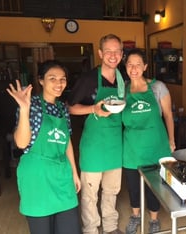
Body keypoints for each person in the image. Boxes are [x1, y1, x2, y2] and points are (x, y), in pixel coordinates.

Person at [6, 60, 81, 234]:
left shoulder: (63, 108)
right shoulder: (31, 105)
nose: (59, 83)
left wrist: (74, 172)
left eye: (62, 79)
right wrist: (24, 109)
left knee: (70, 229)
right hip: (37, 176)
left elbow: (67, 140)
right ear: (41, 80)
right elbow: (21, 142)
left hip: (61, 174)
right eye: (52, 78)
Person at [67, 34, 125, 234]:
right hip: (93, 146)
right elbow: (71, 108)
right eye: (108, 51)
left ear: (122, 54)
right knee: (90, 194)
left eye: (117, 51)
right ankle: (91, 229)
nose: (113, 55)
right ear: (100, 53)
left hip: (115, 145)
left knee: (112, 191)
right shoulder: (89, 78)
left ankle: (110, 227)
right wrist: (94, 109)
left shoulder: (123, 79)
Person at [122, 48, 175, 234]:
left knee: (154, 187)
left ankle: (153, 219)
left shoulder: (158, 87)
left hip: (156, 146)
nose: (133, 68)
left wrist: (171, 140)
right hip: (132, 148)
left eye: (137, 64)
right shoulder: (123, 90)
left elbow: (168, 115)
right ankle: (135, 216)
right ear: (125, 66)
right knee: (134, 187)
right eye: (129, 64)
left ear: (145, 66)